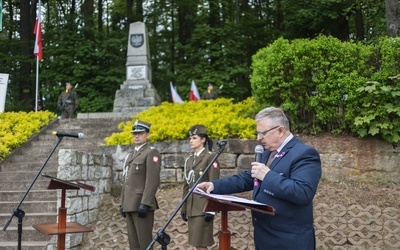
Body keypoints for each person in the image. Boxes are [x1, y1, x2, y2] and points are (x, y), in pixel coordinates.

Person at [197, 107, 322, 250]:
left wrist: (267, 175)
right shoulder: (267, 152)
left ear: (280, 130)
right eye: (258, 133)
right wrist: (215, 186)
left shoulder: (304, 154)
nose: (258, 138)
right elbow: (248, 178)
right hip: (263, 236)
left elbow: (302, 193)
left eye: (263, 133)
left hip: (289, 240)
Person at [119, 120, 161, 250]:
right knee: (134, 244)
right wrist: (122, 202)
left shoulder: (151, 152)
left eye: (140, 133)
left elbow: (153, 180)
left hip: (141, 204)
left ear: (147, 135)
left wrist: (146, 203)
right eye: (135, 133)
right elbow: (126, 181)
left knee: (145, 244)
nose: (136, 136)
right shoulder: (131, 155)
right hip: (129, 204)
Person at [181, 124, 220, 250]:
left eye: (194, 138)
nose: (191, 141)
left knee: (201, 244)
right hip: (192, 207)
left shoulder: (210, 157)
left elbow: (214, 183)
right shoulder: (189, 160)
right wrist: (184, 208)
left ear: (203, 140)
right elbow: (186, 186)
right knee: (196, 243)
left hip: (203, 207)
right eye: (190, 138)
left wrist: (211, 209)